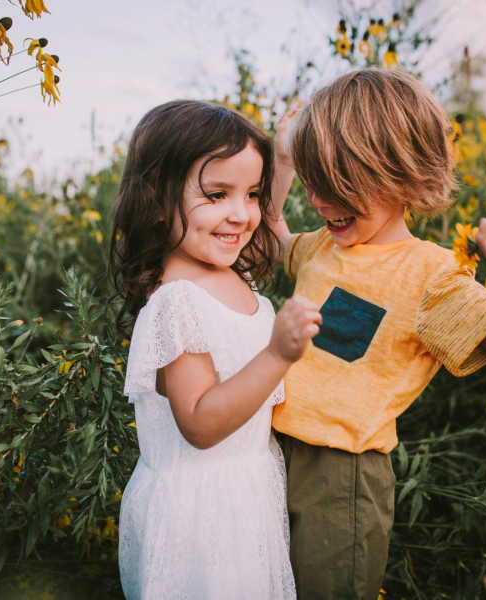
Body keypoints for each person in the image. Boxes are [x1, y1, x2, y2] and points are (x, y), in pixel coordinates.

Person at [266, 69, 486, 599]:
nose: (319, 201)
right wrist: (281, 162)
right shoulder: (321, 248)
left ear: (399, 172)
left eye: (335, 184)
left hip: (342, 479)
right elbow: (268, 229)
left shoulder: (429, 274)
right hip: (271, 451)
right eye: (311, 181)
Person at [109, 100, 321, 600]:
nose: (241, 215)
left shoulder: (227, 269)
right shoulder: (177, 302)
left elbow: (256, 224)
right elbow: (201, 423)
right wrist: (278, 355)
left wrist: (284, 164)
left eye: (252, 194)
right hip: (201, 518)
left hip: (246, 495)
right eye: (217, 194)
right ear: (158, 200)